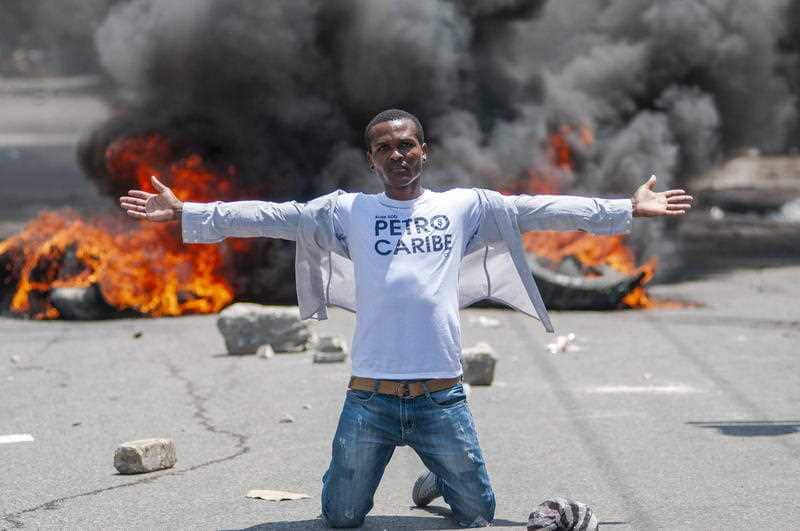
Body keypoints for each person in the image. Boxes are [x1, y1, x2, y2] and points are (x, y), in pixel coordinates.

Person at [119, 109, 693, 528]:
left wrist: (624, 209)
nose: (398, 155)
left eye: (408, 145)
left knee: (478, 517)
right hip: (368, 399)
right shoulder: (350, 211)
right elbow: (274, 215)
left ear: (424, 151)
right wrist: (188, 212)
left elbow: (535, 209)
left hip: (440, 398)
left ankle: (436, 479)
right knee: (340, 518)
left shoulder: (463, 206)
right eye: (385, 148)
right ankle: (425, 474)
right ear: (371, 159)